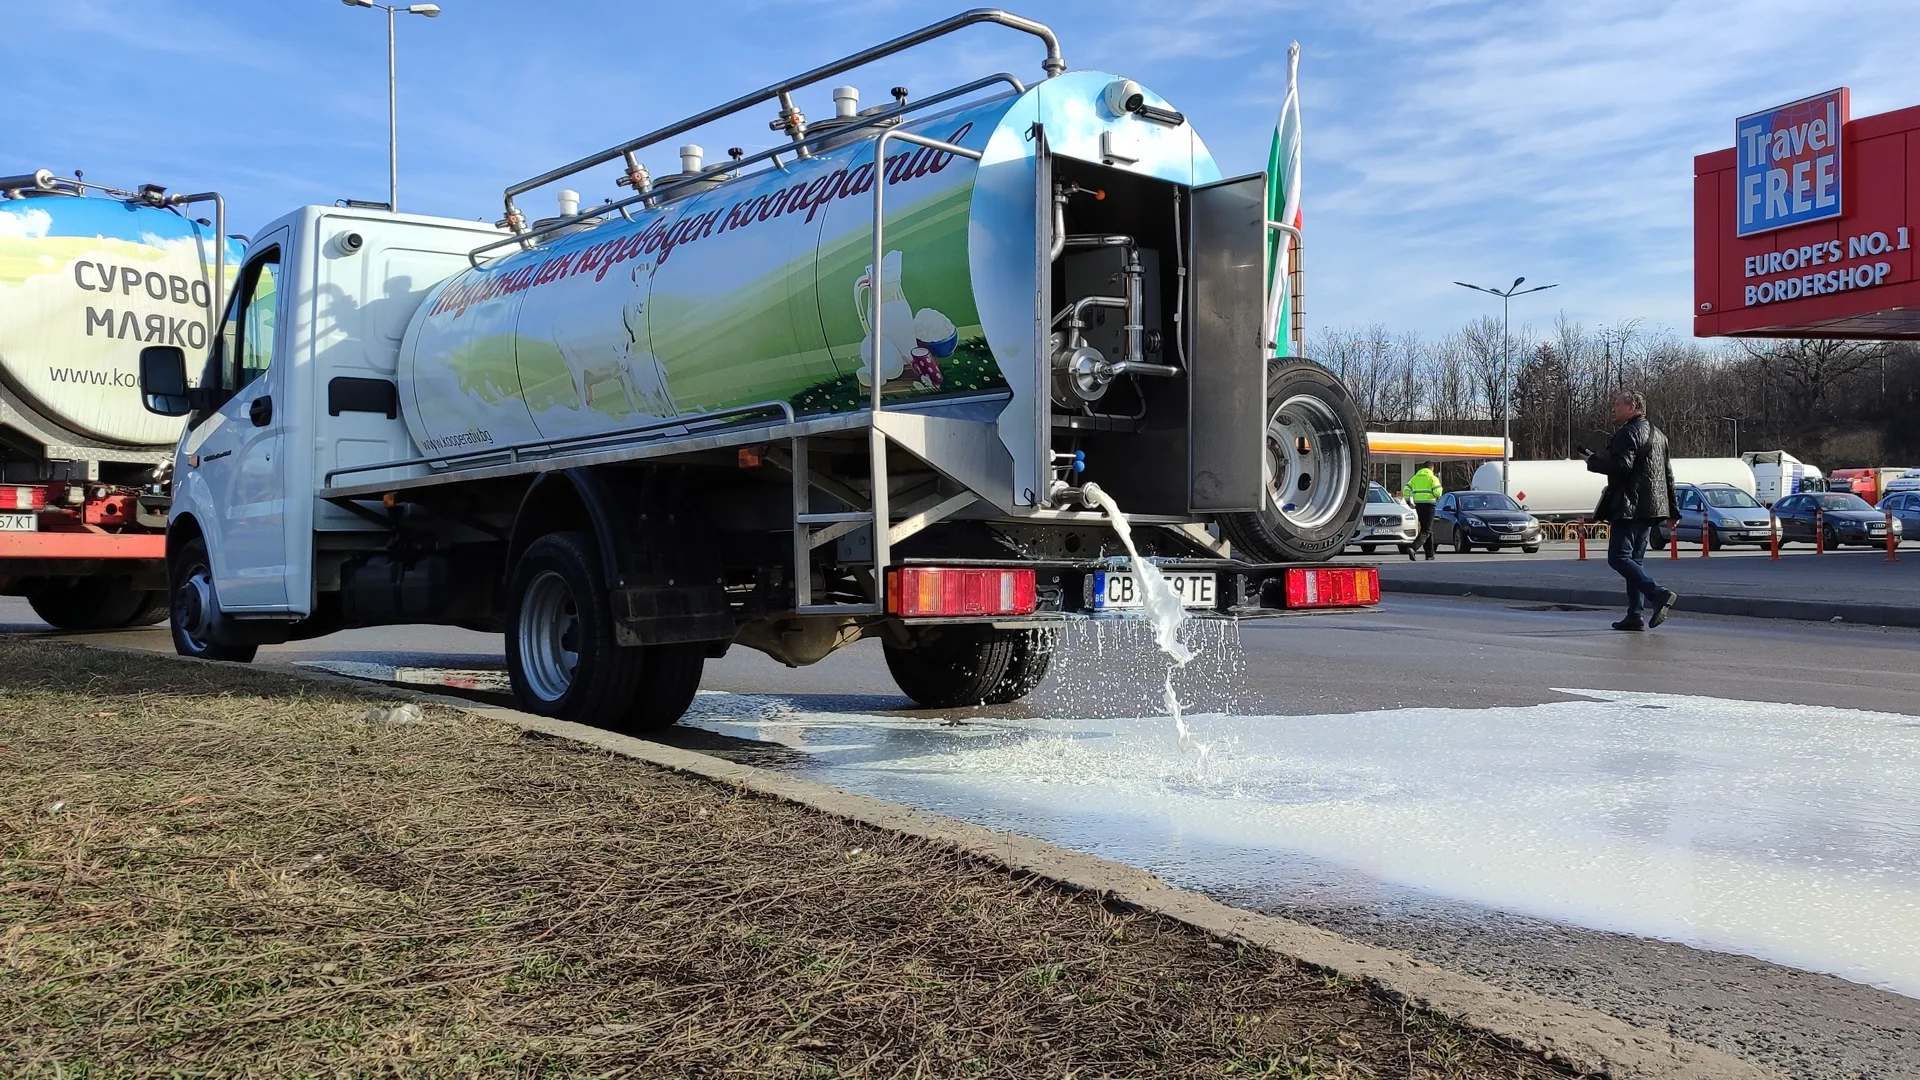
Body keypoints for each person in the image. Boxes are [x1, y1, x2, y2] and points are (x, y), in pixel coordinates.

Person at [1583, 390, 1680, 631]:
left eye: (1617, 404)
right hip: (1651, 509)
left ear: (1632, 406)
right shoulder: (1659, 435)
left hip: (1629, 506)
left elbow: (1621, 467)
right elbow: (1668, 475)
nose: (1613, 408)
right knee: (1635, 561)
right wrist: (1673, 511)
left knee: (1618, 558)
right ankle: (1634, 615)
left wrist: (1594, 462)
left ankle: (1658, 594)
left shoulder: (1627, 433)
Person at [1401, 463, 1443, 561]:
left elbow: (1406, 489)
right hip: (1429, 505)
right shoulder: (1432, 478)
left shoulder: (1415, 478)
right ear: (1431, 468)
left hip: (1418, 505)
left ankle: (1430, 554)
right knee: (1426, 530)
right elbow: (1438, 492)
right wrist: (1437, 496)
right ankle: (1413, 547)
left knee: (1427, 529)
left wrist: (1408, 501)